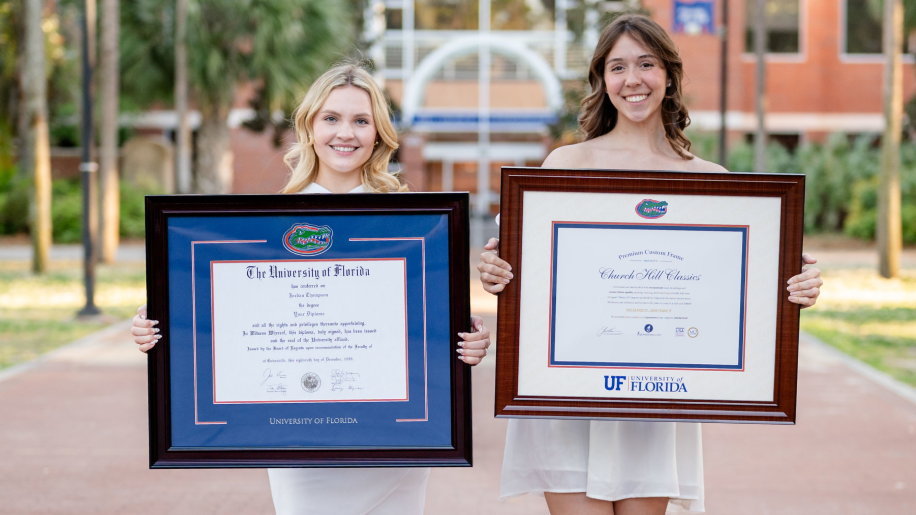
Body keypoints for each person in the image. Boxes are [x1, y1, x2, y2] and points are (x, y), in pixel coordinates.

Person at [476, 14, 823, 515]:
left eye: (646, 63)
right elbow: (528, 283)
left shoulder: (711, 182)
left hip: (657, 398)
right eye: (617, 67)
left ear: (669, 75)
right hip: (567, 393)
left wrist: (796, 285)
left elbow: (740, 293)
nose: (632, 79)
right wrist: (498, 274)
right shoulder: (563, 168)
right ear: (602, 79)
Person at [132, 62, 492, 515]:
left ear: (379, 132)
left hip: (391, 437)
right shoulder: (263, 227)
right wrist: (160, 322)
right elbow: (216, 313)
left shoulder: (411, 225)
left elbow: (428, 324)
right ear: (309, 127)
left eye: (362, 120)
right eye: (332, 118)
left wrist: (467, 337)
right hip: (298, 438)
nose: (347, 133)